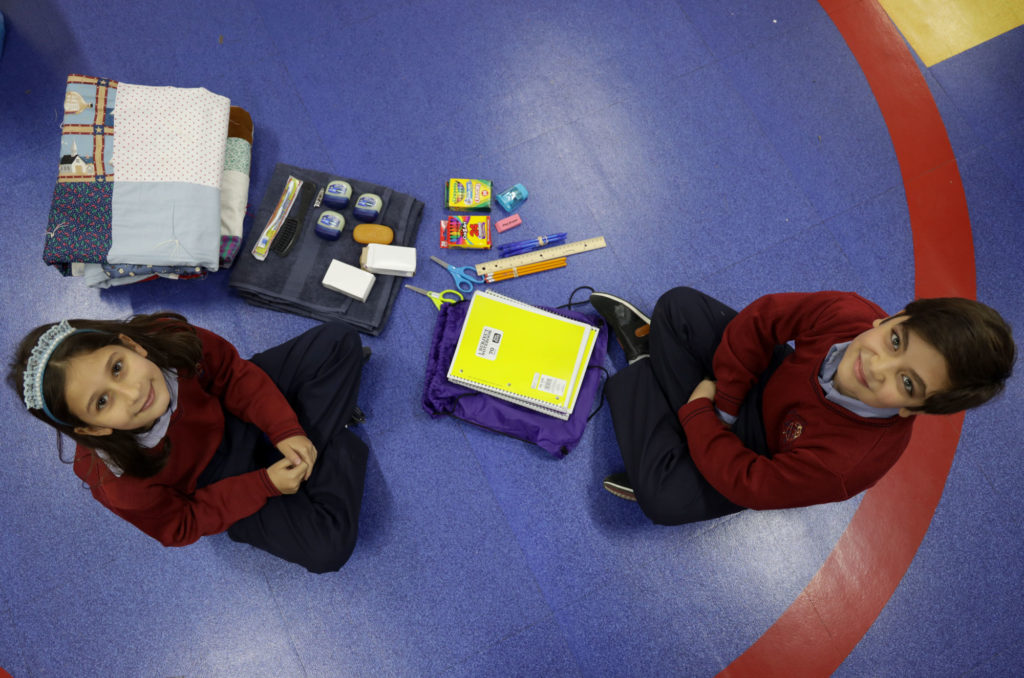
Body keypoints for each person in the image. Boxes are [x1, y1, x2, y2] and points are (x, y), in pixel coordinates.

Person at [589, 287, 1015, 525]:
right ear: (890, 318)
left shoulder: (846, 466)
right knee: (680, 307)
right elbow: (762, 319)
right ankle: (666, 446)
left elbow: (752, 484)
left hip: (762, 454)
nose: (877, 364)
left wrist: (702, 418)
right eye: (896, 341)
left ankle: (644, 363)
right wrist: (725, 405)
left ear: (913, 410)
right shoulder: (849, 311)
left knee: (663, 502)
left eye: (907, 383)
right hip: (761, 383)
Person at [8, 312, 370, 573]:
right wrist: (264, 484)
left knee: (339, 341)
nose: (133, 393)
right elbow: (183, 523)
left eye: (117, 367)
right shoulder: (117, 484)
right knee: (328, 549)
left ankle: (305, 445)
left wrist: (285, 429)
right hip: (219, 486)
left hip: (232, 411)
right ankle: (328, 444)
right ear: (92, 430)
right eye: (102, 402)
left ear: (129, 344)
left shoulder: (165, 336)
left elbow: (231, 373)